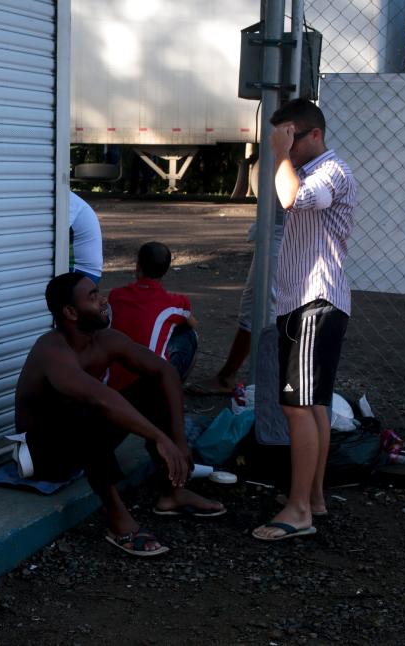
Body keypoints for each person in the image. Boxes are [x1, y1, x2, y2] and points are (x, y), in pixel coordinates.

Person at [14, 273, 224, 557]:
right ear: (70, 312)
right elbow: (99, 398)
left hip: (83, 439)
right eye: (92, 297)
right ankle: (118, 521)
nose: (103, 302)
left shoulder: (105, 339)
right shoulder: (51, 350)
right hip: (47, 455)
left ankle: (172, 492)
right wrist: (159, 437)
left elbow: (165, 372)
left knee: (153, 384)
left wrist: (178, 439)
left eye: (98, 294)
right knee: (84, 410)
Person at [251, 98, 357, 541]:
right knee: (312, 406)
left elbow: (290, 198)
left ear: (313, 134)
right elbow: (276, 191)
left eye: (292, 138)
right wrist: (278, 155)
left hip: (316, 302)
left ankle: (298, 511)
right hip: (304, 303)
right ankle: (312, 498)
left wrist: (278, 154)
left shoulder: (331, 171)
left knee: (297, 407)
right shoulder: (308, 170)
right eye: (282, 139)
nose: (286, 147)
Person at [185, 164, 285, 397]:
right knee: (260, 308)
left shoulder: (294, 150)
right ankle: (240, 376)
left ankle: (240, 377)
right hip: (274, 234)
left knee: (260, 309)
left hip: (279, 239)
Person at [106, 241, 198, 391]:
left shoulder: (115, 295)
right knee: (189, 334)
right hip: (151, 386)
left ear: (137, 266)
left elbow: (106, 314)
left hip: (114, 386)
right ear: (166, 271)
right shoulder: (176, 303)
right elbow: (193, 324)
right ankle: (172, 388)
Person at [69, 192, 103, 283]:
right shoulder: (71, 198)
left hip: (82, 271)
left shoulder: (67, 200)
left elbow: (57, 232)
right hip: (84, 270)